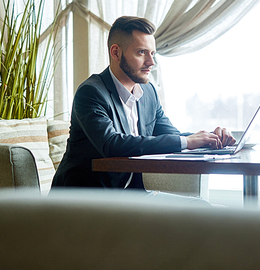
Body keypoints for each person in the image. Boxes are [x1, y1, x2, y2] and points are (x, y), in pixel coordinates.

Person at [52, 16, 235, 193]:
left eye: (152, 53)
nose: (151, 62)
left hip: (131, 198)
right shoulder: (91, 92)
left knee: (199, 210)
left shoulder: (148, 93)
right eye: (141, 52)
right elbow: (112, 144)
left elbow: (171, 136)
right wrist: (188, 141)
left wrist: (210, 138)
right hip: (82, 202)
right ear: (116, 52)